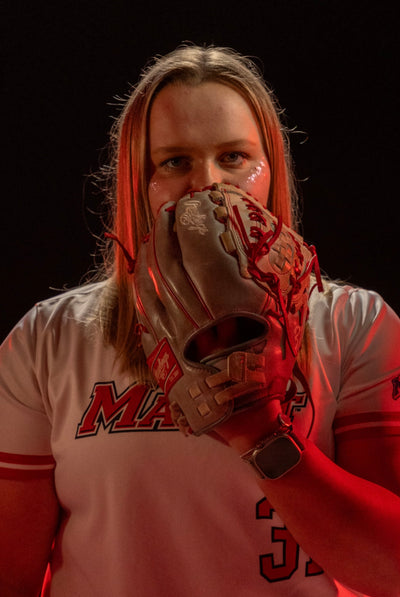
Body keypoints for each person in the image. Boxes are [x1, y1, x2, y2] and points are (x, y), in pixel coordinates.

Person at [1, 43, 399, 597]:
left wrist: (261, 435)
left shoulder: (356, 324)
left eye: (233, 157)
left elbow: (390, 570)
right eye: (174, 161)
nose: (207, 183)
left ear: (271, 172)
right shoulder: (49, 338)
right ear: (137, 182)